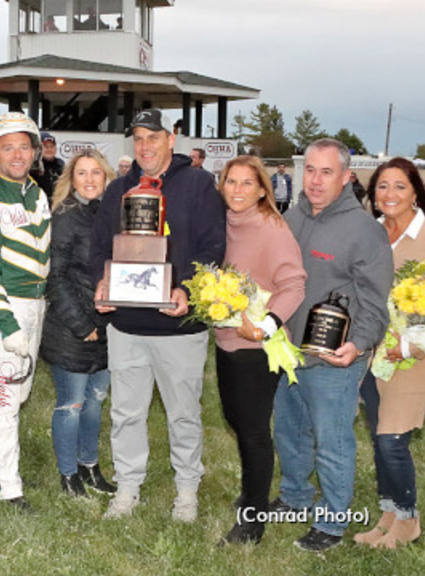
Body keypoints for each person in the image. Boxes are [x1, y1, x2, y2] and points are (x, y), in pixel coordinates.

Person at [92, 109, 226, 522]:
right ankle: (128, 486)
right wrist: (101, 283)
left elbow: (212, 250)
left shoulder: (199, 185)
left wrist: (186, 289)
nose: (145, 146)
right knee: (126, 412)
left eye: (154, 137)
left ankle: (187, 488)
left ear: (172, 139)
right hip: (127, 324)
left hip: (178, 325)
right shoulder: (119, 190)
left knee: (183, 412)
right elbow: (100, 248)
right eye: (138, 139)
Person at [270, 138, 393, 552]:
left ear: (345, 177)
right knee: (288, 431)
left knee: (332, 440)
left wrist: (357, 345)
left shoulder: (365, 231)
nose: (316, 181)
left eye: (327, 172)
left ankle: (333, 520)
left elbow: (376, 304)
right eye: (311, 170)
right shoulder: (290, 217)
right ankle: (294, 496)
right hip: (288, 352)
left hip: (334, 359)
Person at [352, 157, 425, 549]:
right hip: (373, 354)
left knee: (391, 440)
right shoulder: (372, 234)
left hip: (416, 356)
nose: (390, 194)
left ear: (415, 191)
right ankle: (389, 514)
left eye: (399, 186)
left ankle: (409, 521)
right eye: (382, 186)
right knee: (379, 434)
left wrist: (408, 345)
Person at [213, 156, 306, 545]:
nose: (237, 190)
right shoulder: (225, 223)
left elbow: (295, 285)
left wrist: (264, 328)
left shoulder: (272, 228)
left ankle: (253, 519)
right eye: (230, 182)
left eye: (247, 184)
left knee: (252, 431)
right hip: (224, 342)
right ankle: (252, 492)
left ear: (263, 190)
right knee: (237, 421)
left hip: (253, 350)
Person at [0, 111, 51, 511]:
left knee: (17, 393)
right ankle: (10, 484)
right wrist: (6, 324)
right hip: (5, 308)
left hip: (37, 307)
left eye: (24, 146)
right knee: (4, 396)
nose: (17, 154)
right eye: (8, 147)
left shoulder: (37, 194)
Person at [39, 150, 117, 498]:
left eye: (95, 173)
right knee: (71, 404)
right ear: (71, 179)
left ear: (106, 177)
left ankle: (90, 466)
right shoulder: (65, 217)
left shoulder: (112, 215)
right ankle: (68, 474)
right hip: (72, 329)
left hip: (107, 328)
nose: (89, 180)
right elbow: (54, 277)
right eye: (81, 173)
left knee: (96, 400)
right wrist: (82, 324)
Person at [31, 131, 64, 200]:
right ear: (39, 149)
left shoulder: (61, 165)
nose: (49, 149)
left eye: (51, 146)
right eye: (46, 147)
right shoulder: (32, 167)